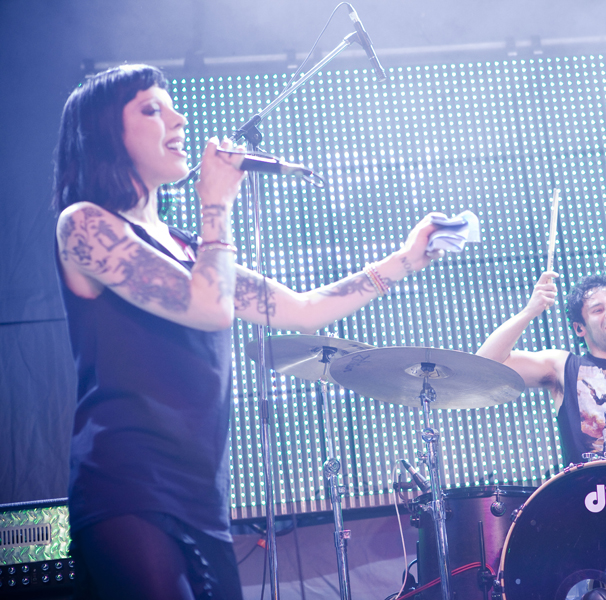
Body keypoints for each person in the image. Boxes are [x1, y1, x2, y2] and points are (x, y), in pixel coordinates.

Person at [53, 64, 442, 599]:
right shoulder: (84, 225)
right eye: (152, 110)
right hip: (127, 487)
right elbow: (210, 307)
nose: (179, 120)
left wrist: (404, 260)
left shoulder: (194, 251)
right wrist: (217, 203)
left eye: (174, 107)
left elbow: (304, 310)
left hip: (202, 497)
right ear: (104, 133)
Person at [476, 271, 606, 466]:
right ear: (579, 328)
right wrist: (529, 311)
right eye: (598, 310)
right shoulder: (563, 367)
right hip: (588, 491)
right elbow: (485, 365)